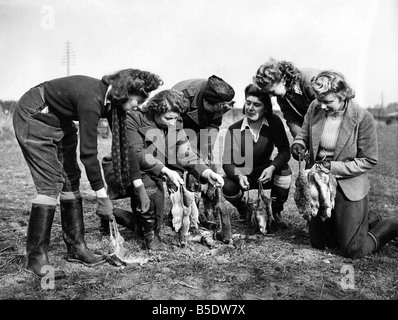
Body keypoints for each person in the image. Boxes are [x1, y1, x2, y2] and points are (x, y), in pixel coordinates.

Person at [13, 69, 162, 279]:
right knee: (51, 183)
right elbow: (89, 154)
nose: (139, 106)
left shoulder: (113, 104)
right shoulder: (92, 99)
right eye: (137, 100)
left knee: (71, 180)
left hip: (59, 120)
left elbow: (125, 146)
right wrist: (102, 198)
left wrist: (139, 188)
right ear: (125, 94)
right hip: (35, 115)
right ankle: (36, 258)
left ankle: (76, 248)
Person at [291, 70, 398, 259]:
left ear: (343, 95)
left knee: (352, 250)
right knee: (320, 243)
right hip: (320, 182)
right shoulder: (314, 107)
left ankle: (389, 225)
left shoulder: (363, 117)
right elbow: (303, 135)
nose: (322, 106)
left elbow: (369, 160)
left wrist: (334, 167)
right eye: (319, 100)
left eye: (328, 102)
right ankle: (366, 218)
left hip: (347, 183)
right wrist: (298, 144)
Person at [103, 89, 225, 250]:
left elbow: (185, 153)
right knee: (151, 202)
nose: (173, 123)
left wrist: (206, 172)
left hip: (152, 171)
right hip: (125, 169)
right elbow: (136, 154)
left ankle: (111, 213)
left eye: (175, 118)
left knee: (151, 222)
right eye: (168, 118)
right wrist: (165, 170)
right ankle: (150, 238)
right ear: (154, 110)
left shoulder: (175, 122)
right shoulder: (133, 118)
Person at [222, 84, 292, 230]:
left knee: (284, 171)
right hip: (244, 174)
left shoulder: (274, 122)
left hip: (265, 171)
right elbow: (227, 162)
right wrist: (239, 176)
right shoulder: (234, 128)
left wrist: (272, 168)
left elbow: (285, 151)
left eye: (257, 104)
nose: (250, 108)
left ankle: (275, 212)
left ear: (266, 107)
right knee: (226, 185)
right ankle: (243, 209)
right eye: (248, 103)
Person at [171, 75, 235, 161]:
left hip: (196, 125)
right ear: (205, 101)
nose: (217, 114)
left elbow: (213, 125)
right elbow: (175, 130)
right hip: (174, 124)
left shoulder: (219, 98)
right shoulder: (184, 97)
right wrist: (190, 150)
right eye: (214, 110)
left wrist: (207, 149)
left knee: (204, 158)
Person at [253, 58, 319, 138]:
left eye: (272, 92)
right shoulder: (282, 98)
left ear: (283, 80)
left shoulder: (310, 82)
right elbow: (292, 120)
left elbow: (326, 111)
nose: (271, 96)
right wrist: (300, 142)